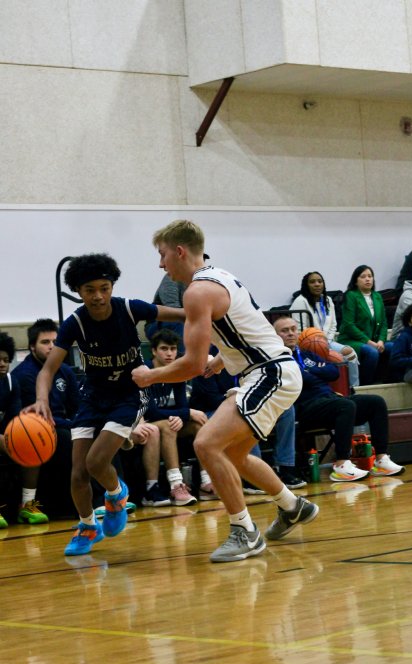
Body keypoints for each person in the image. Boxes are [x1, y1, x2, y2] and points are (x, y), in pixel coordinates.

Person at [132, 219, 319, 562]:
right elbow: (249, 326)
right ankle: (292, 506)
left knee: (206, 443)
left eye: (162, 255)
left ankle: (244, 532)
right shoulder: (221, 276)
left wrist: (150, 375)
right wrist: (222, 359)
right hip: (269, 371)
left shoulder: (197, 292)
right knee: (232, 454)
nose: (160, 264)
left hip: (269, 373)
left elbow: (191, 365)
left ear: (179, 251)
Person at [26, 253, 185, 557]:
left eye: (104, 288)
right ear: (78, 291)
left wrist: (211, 311)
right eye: (90, 290)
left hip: (129, 395)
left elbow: (182, 314)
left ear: (112, 286)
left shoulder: (130, 308)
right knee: (78, 474)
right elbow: (47, 371)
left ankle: (116, 494)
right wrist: (41, 400)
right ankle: (88, 526)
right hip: (93, 396)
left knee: (97, 462)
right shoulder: (75, 323)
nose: (98, 296)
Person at [273, 316, 404, 479]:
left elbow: (333, 372)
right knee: (344, 405)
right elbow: (303, 379)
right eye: (284, 331)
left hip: (328, 400)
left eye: (293, 329)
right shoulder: (277, 359)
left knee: (375, 402)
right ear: (274, 335)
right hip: (304, 407)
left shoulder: (308, 355)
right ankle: (342, 463)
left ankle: (381, 459)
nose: (291, 333)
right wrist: (314, 372)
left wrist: (308, 371)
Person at [12, 318, 80, 524]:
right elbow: (36, 418)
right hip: (34, 428)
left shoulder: (66, 371)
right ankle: (65, 505)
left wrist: (83, 424)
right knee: (65, 437)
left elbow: (78, 407)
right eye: (45, 342)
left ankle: (109, 497)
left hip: (62, 424)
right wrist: (73, 425)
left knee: (97, 431)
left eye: (55, 342)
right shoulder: (24, 374)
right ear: (32, 346)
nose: (52, 346)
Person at [143, 328, 208, 504]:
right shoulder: (145, 372)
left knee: (199, 423)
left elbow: (182, 406)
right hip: (143, 422)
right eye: (164, 349)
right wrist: (185, 413)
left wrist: (183, 415)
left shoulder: (177, 371)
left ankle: (206, 482)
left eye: (173, 349)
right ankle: (176, 485)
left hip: (166, 420)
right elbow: (150, 412)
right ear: (154, 351)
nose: (169, 353)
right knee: (169, 425)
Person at [289, 271, 359, 390]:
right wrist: (318, 343)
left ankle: (354, 387)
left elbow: (333, 325)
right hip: (308, 345)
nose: (317, 284)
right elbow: (299, 330)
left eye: (320, 281)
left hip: (327, 341)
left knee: (350, 353)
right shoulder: (300, 301)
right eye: (312, 282)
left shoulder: (327, 300)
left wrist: (326, 342)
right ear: (306, 285)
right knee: (337, 358)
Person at [337, 265, 393, 385]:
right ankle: (366, 384)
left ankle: (387, 381)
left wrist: (381, 341)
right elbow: (349, 325)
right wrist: (369, 342)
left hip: (374, 340)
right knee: (371, 352)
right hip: (352, 340)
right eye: (363, 277)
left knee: (393, 347)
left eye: (370, 276)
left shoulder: (377, 296)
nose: (367, 279)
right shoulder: (351, 296)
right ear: (355, 281)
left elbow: (384, 323)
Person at [0, 332, 21, 529]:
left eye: (6, 360)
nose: (2, 364)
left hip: (4, 435)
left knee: (33, 447)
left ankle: (28, 504)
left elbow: (15, 418)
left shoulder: (11, 382)